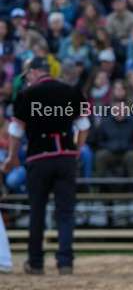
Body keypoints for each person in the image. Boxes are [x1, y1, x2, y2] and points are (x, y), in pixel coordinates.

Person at [2, 56, 90, 275]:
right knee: (65, 212)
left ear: (32, 73)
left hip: (39, 158)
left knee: (37, 211)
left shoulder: (26, 95)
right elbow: (84, 126)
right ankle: (65, 262)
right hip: (66, 156)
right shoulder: (70, 91)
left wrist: (12, 157)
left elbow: (15, 132)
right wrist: (76, 151)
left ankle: (36, 262)